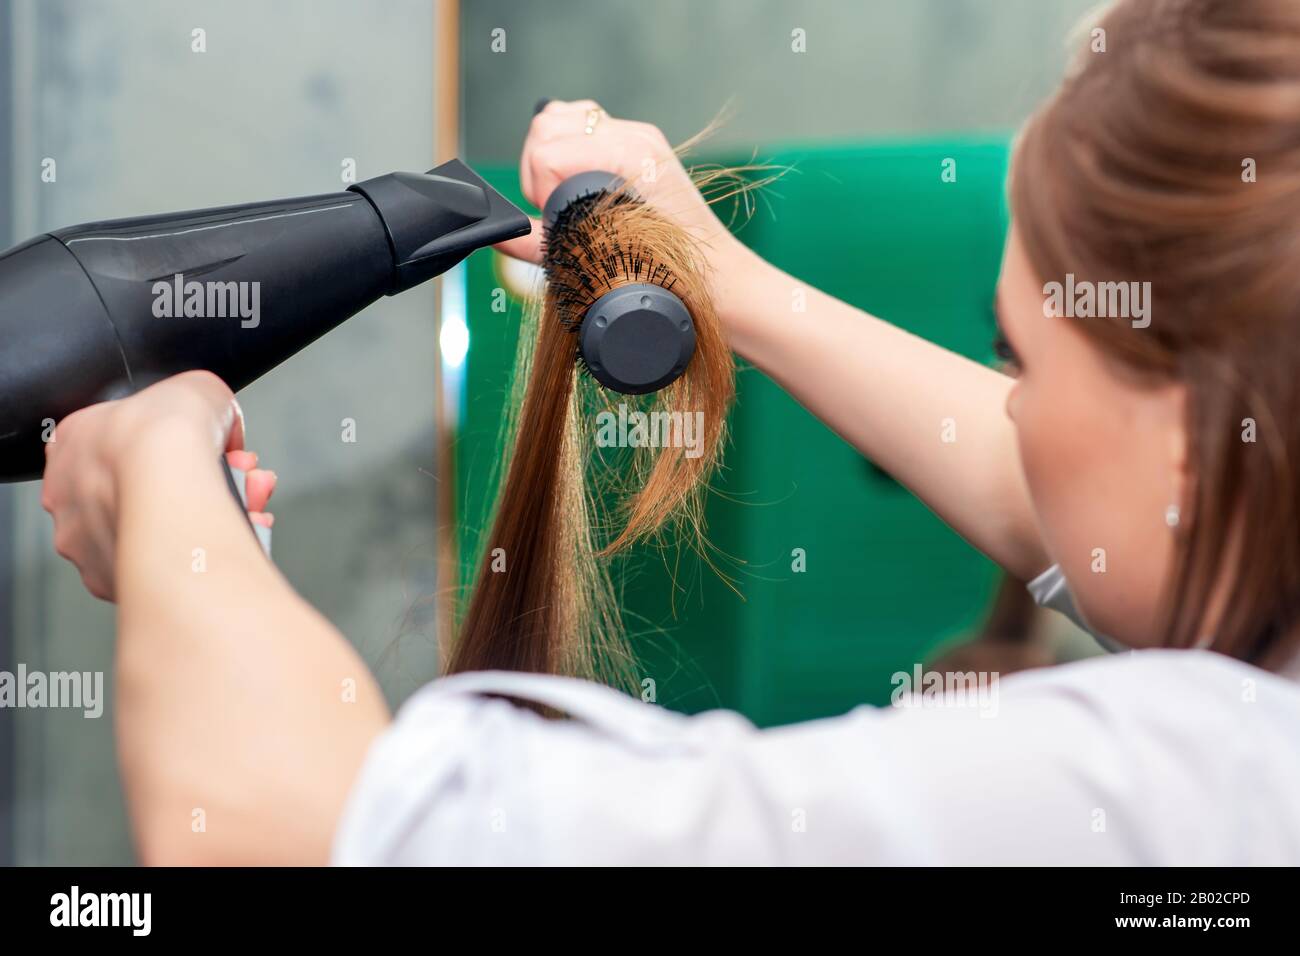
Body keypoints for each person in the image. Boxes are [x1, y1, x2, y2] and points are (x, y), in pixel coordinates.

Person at [41, 0, 1300, 864]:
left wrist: (155, 475)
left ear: (1192, 432)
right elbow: (1093, 516)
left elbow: (311, 832)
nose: (1005, 404)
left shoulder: (1185, 788)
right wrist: (721, 279)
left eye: (1019, 352)